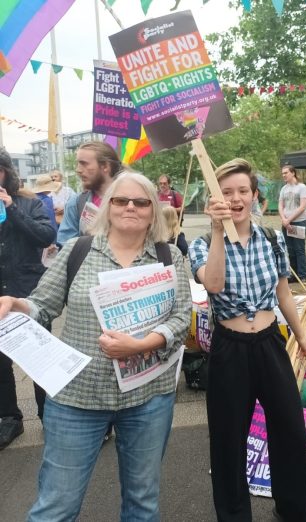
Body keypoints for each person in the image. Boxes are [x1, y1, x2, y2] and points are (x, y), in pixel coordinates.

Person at [0, 171, 191, 519]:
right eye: (121, 200)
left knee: (143, 504)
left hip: (149, 398)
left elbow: (181, 319)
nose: (130, 207)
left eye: (140, 201)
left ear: (153, 209)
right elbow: (43, 304)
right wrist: (18, 304)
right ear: (108, 207)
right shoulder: (78, 250)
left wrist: (141, 345)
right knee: (56, 507)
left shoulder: (169, 257)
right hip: (78, 399)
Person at [189, 158, 306, 521]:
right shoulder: (199, 245)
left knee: (289, 431)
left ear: (255, 196)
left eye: (243, 191)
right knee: (228, 441)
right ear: (215, 199)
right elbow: (212, 285)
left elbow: (284, 293)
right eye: (226, 192)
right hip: (229, 349)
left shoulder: (272, 239)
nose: (235, 198)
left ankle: (292, 513)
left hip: (271, 344)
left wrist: (301, 334)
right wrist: (216, 231)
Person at [0, 148, 56, 449]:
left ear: (7, 172)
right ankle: (10, 418)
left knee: (39, 358)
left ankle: (49, 416)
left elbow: (46, 236)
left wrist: (12, 209)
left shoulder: (29, 202)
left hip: (29, 291)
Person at [57, 141, 121, 245]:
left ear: (105, 166)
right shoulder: (76, 203)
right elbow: (65, 244)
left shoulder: (134, 200)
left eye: (84, 164)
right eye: (77, 164)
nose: (78, 170)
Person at [278, 164, 306, 282]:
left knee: (299, 249)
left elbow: (302, 207)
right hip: (286, 224)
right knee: (290, 249)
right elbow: (280, 205)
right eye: (282, 173)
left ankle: (302, 275)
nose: (284, 175)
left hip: (299, 222)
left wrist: (288, 220)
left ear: (293, 173)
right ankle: (294, 275)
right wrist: (284, 220)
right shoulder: (283, 189)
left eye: (286, 173)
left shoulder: (302, 187)